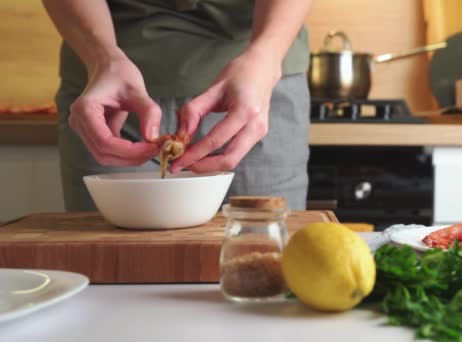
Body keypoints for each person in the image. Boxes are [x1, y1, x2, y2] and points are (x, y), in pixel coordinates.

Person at [42, 0, 312, 211]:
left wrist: (266, 57)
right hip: (107, 97)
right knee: (109, 261)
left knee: (266, 262)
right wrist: (102, 58)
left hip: (255, 91)